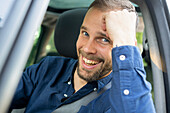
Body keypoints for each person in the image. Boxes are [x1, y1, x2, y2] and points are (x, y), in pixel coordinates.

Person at [9, 0, 156, 113]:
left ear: (124, 44)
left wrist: (125, 43)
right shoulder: (47, 68)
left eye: (104, 39)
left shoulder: (121, 96)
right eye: (85, 33)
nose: (87, 48)